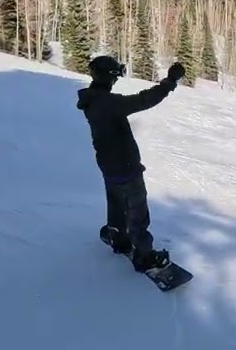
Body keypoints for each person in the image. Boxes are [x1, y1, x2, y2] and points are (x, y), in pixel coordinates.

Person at [76, 55, 186, 272]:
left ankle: (118, 237)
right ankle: (144, 256)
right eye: (115, 76)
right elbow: (144, 100)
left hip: (108, 166)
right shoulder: (107, 103)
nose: (116, 81)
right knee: (137, 213)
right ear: (108, 77)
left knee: (116, 205)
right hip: (126, 167)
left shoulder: (93, 100)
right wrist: (170, 81)